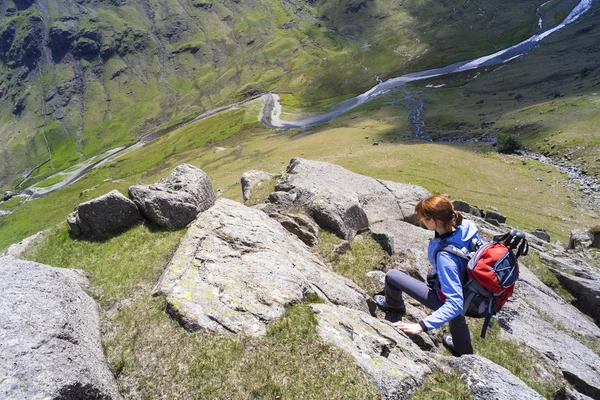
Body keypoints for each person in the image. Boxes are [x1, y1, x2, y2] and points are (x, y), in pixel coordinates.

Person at [374, 195, 482, 355]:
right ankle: (464, 352)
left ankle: (393, 304)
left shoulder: (446, 258)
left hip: (456, 296)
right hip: (472, 291)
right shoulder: (466, 227)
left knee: (392, 276)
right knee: (457, 316)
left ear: (433, 221)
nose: (421, 221)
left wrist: (421, 325)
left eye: (423, 218)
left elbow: (455, 304)